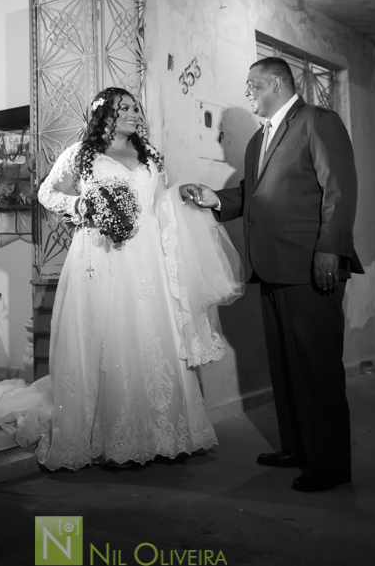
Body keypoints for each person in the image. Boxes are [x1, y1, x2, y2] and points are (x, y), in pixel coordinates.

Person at [25, 86, 243, 470]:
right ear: (104, 115)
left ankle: (160, 434)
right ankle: (106, 436)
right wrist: (81, 204)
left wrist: (182, 195)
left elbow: (159, 204)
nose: (133, 113)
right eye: (123, 107)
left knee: (150, 336)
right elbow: (46, 192)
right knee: (106, 334)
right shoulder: (82, 155)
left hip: (146, 256)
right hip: (100, 253)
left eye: (136, 107)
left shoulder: (151, 155)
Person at [180, 57, 362, 492]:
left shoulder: (318, 121)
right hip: (271, 265)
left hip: (310, 265)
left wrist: (329, 249)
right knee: (285, 368)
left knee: (316, 368)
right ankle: (299, 447)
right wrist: (214, 198)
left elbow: (340, 187)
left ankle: (330, 464)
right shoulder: (257, 141)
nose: (247, 94)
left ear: (276, 84)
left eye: (252, 86)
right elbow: (250, 194)